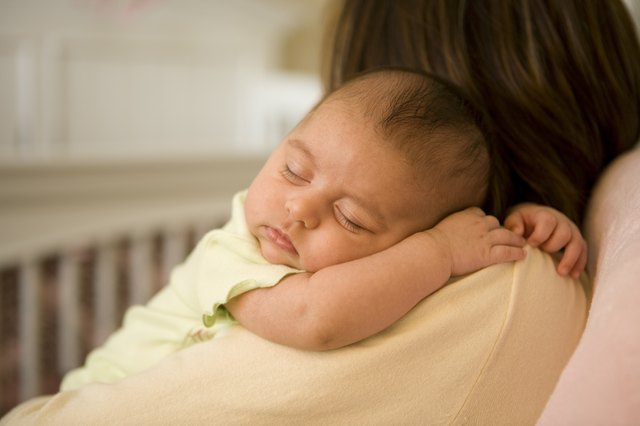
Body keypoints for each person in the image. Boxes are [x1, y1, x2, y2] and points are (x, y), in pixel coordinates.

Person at [56, 68, 583, 391]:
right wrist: (441, 252)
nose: (300, 207)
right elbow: (316, 318)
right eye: (293, 169)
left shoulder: (389, 266)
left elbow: (459, 250)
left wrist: (521, 227)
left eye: (351, 218)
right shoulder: (234, 248)